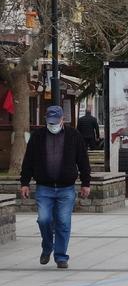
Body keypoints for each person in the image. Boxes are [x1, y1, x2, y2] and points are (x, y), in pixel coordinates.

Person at [19, 106, 92, 269]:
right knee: (44, 219)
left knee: (63, 222)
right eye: (49, 121)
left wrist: (86, 183)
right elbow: (28, 160)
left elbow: (83, 161)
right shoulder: (37, 136)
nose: (52, 125)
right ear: (46, 120)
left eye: (55, 121)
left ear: (62, 120)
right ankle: (47, 246)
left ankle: (61, 256)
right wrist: (24, 183)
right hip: (44, 187)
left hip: (66, 188)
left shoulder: (74, 135)